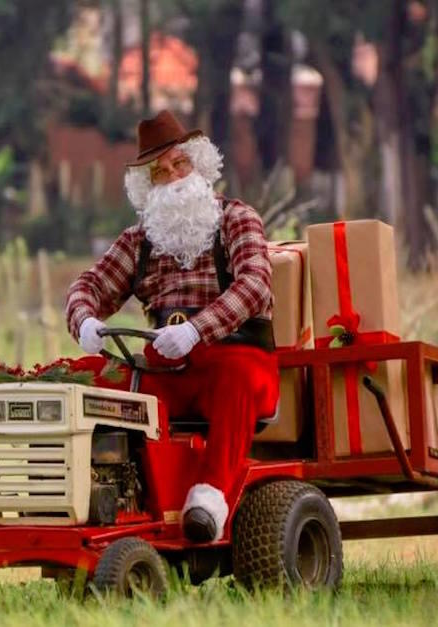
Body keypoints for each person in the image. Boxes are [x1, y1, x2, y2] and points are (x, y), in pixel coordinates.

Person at [65, 110, 279, 543]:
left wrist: (198, 329)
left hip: (236, 357)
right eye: (160, 172)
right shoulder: (138, 241)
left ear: (198, 165)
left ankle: (210, 500)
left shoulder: (237, 218)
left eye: (180, 164)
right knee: (89, 380)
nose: (174, 176)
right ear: (149, 185)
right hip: (165, 369)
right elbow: (88, 285)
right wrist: (84, 319)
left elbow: (255, 284)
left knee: (234, 377)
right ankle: (106, 499)